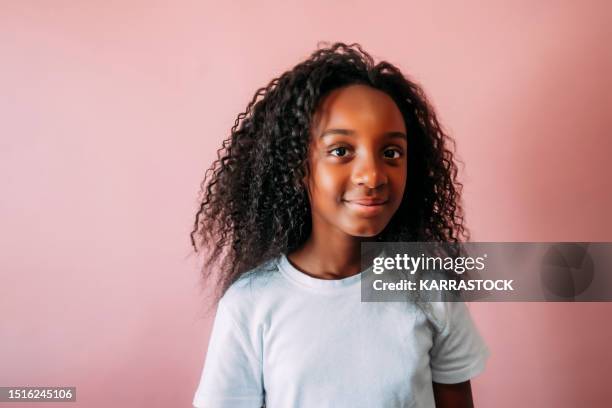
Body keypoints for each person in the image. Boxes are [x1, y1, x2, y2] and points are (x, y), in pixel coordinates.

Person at [190, 42, 489, 408]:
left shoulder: (429, 290)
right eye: (341, 151)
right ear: (298, 166)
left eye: (391, 153)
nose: (373, 175)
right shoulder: (249, 305)